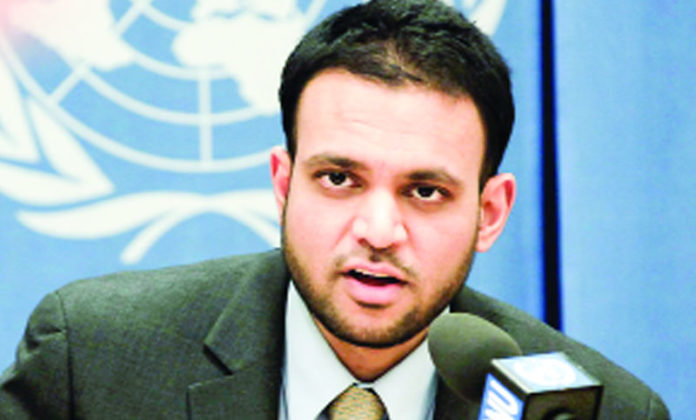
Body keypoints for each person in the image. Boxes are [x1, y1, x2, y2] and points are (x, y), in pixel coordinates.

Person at [0, 1, 669, 419]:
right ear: (284, 184)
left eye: (425, 191)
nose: (378, 231)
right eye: (340, 179)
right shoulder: (92, 361)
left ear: (489, 213)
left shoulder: (603, 411)